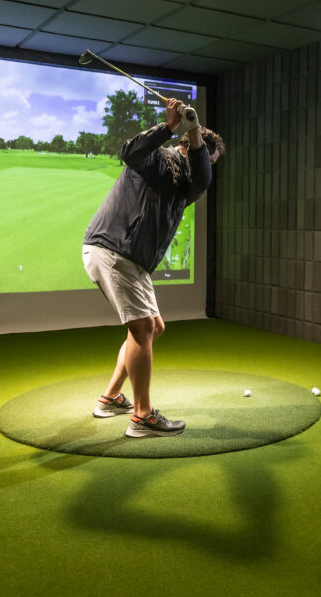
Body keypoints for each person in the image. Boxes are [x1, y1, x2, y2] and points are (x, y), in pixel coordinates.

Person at [82, 98, 224, 437]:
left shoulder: (188, 184)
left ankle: (111, 396)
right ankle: (142, 416)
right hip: (114, 248)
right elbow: (130, 151)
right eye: (202, 152)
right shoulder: (160, 160)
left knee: (152, 328)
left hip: (134, 261)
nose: (206, 162)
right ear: (183, 146)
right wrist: (171, 126)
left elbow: (203, 179)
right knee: (142, 329)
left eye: (208, 156)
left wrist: (196, 139)